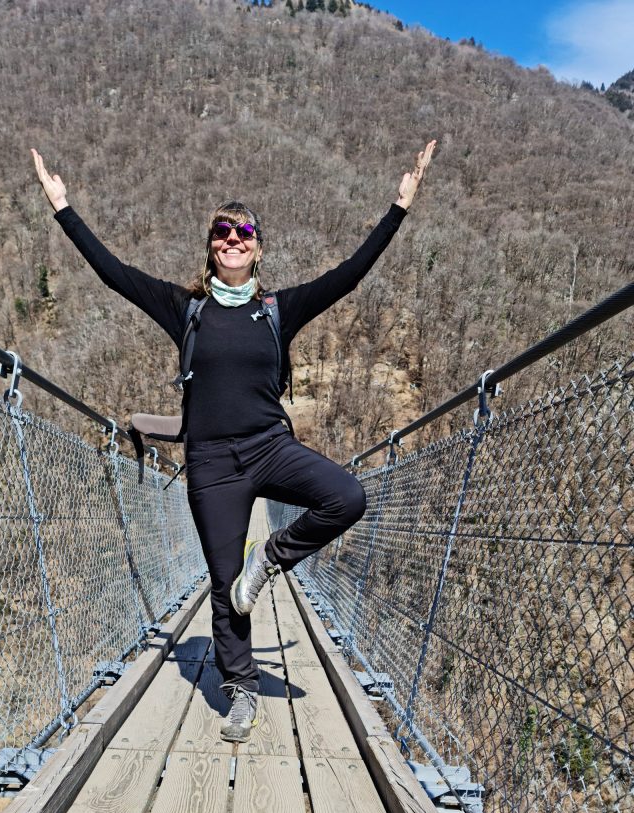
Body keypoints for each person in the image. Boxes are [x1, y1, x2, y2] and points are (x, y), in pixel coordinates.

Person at [32, 141, 435, 743]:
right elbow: (113, 274)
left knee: (346, 497)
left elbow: (348, 275)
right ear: (211, 247)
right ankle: (241, 687)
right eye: (222, 233)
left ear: (259, 247)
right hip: (212, 463)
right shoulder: (185, 309)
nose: (232, 240)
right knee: (225, 586)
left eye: (244, 232)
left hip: (270, 447)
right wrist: (63, 208)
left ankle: (268, 558)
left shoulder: (278, 309)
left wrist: (399, 207)